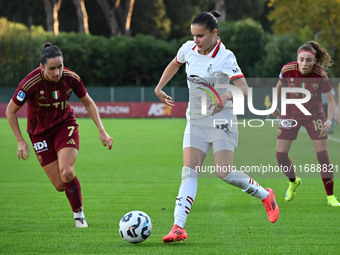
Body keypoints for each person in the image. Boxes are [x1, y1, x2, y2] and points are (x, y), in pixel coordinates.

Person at [155, 10, 279, 243]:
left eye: (200, 36)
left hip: (222, 121)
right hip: (196, 122)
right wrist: (159, 87)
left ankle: (265, 195)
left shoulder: (225, 57)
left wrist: (224, 96)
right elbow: (175, 63)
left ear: (214, 33)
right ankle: (178, 227)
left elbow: (243, 88)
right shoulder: (188, 49)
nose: (196, 41)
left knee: (225, 173)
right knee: (188, 171)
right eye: (193, 36)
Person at [6, 42, 113, 228]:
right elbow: (10, 111)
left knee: (67, 172)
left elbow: (88, 102)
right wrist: (20, 141)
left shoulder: (71, 78)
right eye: (52, 69)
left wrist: (101, 130)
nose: (57, 72)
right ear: (42, 67)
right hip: (39, 134)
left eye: (60, 67)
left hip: (65, 126)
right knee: (60, 184)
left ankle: (79, 215)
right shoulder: (29, 84)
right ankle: (73, 192)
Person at [272, 41, 339, 206]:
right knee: (280, 155)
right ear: (297, 59)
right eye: (301, 59)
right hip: (290, 114)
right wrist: (274, 105)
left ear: (314, 61)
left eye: (308, 60)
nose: (304, 63)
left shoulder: (321, 75)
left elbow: (331, 101)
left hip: (314, 116)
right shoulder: (287, 70)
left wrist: (329, 120)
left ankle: (331, 197)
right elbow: (278, 86)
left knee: (322, 156)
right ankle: (293, 181)